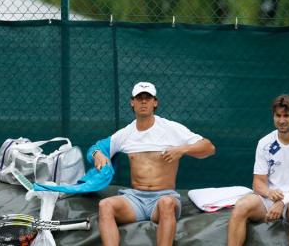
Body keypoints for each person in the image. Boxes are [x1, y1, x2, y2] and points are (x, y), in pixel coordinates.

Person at [88, 82, 215, 246]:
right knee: (105, 205)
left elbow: (209, 147)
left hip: (164, 197)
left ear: (155, 102)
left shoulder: (171, 128)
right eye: (139, 98)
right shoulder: (126, 133)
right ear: (132, 102)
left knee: (166, 203)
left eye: (147, 98)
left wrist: (182, 149)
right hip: (136, 200)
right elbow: (96, 147)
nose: (143, 102)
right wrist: (96, 154)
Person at [227, 94, 289, 246]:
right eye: (278, 115)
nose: (281, 120)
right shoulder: (264, 142)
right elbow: (258, 182)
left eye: (287, 115)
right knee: (241, 206)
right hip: (269, 200)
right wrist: (269, 193)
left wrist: (284, 201)